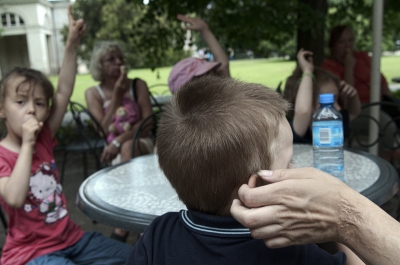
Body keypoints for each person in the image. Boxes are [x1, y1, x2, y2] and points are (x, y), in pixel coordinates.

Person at [126, 75, 347, 264]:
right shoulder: (287, 245)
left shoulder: (158, 233)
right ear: (255, 186)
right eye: (288, 163)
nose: (294, 168)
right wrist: (338, 221)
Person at [0, 7, 132, 265]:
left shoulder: (45, 135)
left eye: (39, 103)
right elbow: (14, 198)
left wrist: (72, 43)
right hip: (32, 253)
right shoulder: (3, 154)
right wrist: (27, 144)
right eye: (20, 101)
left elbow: (62, 92)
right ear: (2, 109)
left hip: (73, 239)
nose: (31, 109)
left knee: (136, 257)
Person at [230, 167, 400, 265]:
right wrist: (340, 224)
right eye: (289, 163)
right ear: (258, 182)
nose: (295, 167)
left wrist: (339, 220)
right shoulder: (299, 253)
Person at [85, 41, 154, 242]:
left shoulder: (137, 84)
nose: (119, 62)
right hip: (113, 147)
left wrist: (120, 140)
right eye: (111, 60)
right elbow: (102, 130)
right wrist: (116, 96)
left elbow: (148, 123)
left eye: (120, 58)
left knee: (126, 146)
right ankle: (143, 224)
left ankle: (122, 227)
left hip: (141, 143)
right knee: (124, 148)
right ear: (100, 66)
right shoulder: (93, 93)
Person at [284, 48, 361, 143]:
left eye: (336, 98)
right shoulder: (300, 127)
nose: (337, 107)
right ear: (307, 101)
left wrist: (353, 96)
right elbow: (303, 111)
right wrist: (307, 71)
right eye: (327, 102)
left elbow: (354, 113)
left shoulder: (336, 119)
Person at [321, 25, 392, 104]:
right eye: (341, 42)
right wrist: (349, 68)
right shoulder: (329, 66)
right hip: (358, 107)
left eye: (350, 40)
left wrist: (389, 102)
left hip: (378, 102)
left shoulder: (363, 56)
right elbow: (346, 97)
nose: (347, 45)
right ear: (333, 45)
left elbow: (381, 81)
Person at [168, 14, 230, 93]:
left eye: (211, 74)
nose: (213, 78)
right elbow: (223, 65)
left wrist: (204, 30)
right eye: (203, 77)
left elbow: (223, 65)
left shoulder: (221, 97)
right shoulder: (220, 101)